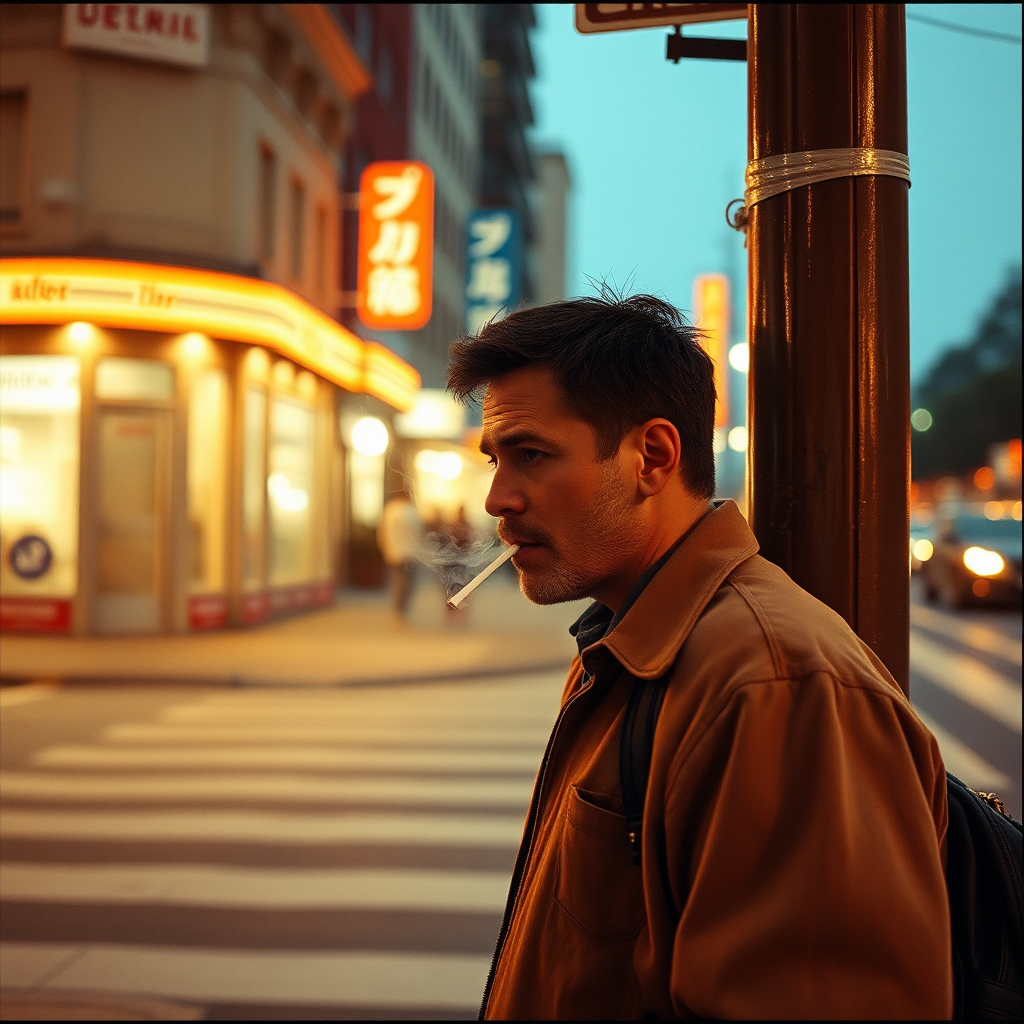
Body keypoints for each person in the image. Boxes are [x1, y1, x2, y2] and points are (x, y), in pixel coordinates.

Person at [446, 294, 952, 1020]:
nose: (497, 498)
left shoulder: (772, 683)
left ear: (652, 456)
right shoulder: (639, 639)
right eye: (495, 459)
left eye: (531, 454)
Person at [377, 488, 423, 623]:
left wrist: (385, 548)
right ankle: (401, 611)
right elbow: (418, 533)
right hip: (409, 553)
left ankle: (397, 611)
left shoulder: (389, 511)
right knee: (406, 584)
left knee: (396, 581)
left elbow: (381, 533)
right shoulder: (411, 512)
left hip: (393, 552)